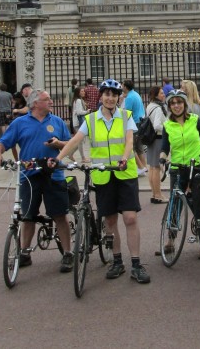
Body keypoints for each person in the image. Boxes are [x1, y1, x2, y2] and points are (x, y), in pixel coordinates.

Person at [56, 78, 150, 284]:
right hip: (102, 174)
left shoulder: (126, 117)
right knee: (110, 221)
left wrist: (125, 158)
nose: (110, 98)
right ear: (101, 96)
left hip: (124, 174)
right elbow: (74, 141)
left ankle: (136, 263)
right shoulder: (90, 120)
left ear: (118, 98)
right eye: (107, 94)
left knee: (130, 218)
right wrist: (58, 158)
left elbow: (129, 141)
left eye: (114, 95)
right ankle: (117, 261)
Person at [0, 89, 74, 273]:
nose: (51, 101)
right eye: (47, 99)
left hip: (54, 174)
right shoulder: (20, 123)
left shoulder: (57, 121)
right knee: (28, 216)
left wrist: (58, 144)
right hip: (29, 176)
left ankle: (68, 253)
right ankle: (25, 253)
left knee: (60, 215)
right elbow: (3, 142)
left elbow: (71, 143)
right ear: (35, 103)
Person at [159, 89, 200, 258]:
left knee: (199, 206)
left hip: (197, 167)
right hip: (177, 169)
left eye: (179, 102)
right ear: (169, 106)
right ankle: (171, 240)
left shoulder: (194, 120)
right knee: (176, 205)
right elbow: (165, 147)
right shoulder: (167, 125)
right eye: (173, 103)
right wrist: (162, 159)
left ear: (185, 104)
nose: (176, 106)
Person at [145, 86, 168, 203]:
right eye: (162, 93)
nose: (164, 95)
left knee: (152, 168)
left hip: (151, 140)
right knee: (156, 168)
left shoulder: (150, 106)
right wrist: (168, 128)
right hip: (158, 138)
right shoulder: (158, 108)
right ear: (156, 95)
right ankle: (158, 195)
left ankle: (154, 194)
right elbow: (157, 125)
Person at [122, 80, 147, 176]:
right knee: (139, 147)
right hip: (140, 122)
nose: (121, 86)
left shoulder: (129, 97)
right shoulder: (135, 94)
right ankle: (144, 167)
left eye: (122, 85)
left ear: (125, 87)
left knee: (131, 147)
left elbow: (127, 113)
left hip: (135, 123)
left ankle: (140, 167)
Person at [70, 86, 89, 162]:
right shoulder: (78, 100)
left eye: (83, 91)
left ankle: (70, 154)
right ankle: (83, 158)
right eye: (82, 91)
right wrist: (87, 111)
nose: (83, 92)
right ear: (78, 93)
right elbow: (79, 112)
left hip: (78, 122)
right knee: (80, 141)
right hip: (78, 123)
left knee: (79, 140)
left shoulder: (79, 100)